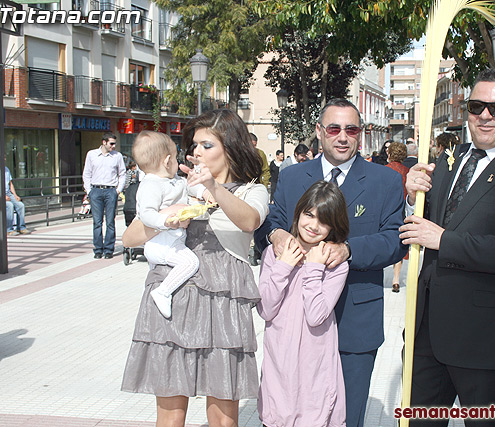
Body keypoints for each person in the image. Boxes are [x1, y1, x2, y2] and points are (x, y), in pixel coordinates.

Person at [399, 68, 495, 425]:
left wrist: (443, 240)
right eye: (477, 106)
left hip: (485, 335)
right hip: (426, 331)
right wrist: (412, 199)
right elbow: (423, 224)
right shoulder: (450, 157)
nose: (486, 116)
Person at [255, 98, 406, 427]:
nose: (342, 136)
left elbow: (395, 241)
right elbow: (269, 223)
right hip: (294, 329)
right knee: (288, 415)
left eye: (351, 129)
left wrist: (348, 250)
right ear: (320, 132)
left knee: (346, 419)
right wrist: (276, 236)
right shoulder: (293, 177)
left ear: (360, 135)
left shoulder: (386, 181)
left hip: (354, 322)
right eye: (334, 128)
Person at [121, 109, 269, 427]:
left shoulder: (251, 191)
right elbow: (129, 238)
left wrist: (212, 189)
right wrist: (168, 215)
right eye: (194, 146)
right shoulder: (176, 187)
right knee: (170, 416)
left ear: (230, 147)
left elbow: (250, 221)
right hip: (173, 297)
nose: (196, 152)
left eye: (206, 145)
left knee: (223, 418)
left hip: (225, 298)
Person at [257, 180, 350, 427]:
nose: (313, 225)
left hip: (315, 365)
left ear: (333, 227)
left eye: (323, 220)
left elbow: (316, 315)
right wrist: (284, 265)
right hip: (279, 361)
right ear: (298, 212)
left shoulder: (334, 263)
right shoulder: (275, 252)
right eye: (309, 215)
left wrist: (313, 268)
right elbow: (265, 309)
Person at [131, 131, 200, 319]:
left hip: (170, 242)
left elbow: (190, 192)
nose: (178, 163)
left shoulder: (175, 181)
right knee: (191, 262)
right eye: (177, 159)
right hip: (162, 243)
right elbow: (146, 214)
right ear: (167, 160)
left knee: (157, 274)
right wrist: (166, 221)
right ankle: (163, 292)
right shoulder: (151, 185)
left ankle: (160, 290)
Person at [82, 132, 126, 259]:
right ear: (104, 142)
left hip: (110, 190)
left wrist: (118, 190)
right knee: (97, 222)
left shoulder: (117, 156)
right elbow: (87, 173)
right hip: (96, 190)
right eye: (111, 143)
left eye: (114, 144)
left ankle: (108, 249)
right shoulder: (92, 154)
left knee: (110, 221)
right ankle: (98, 249)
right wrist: (89, 190)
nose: (113, 146)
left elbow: (122, 173)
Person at [386, 142, 410, 293]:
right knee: (399, 243)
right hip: (401, 212)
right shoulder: (408, 172)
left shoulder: (383, 171)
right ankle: (396, 279)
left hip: (386, 211)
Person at [3, 164, 29, 235]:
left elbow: (10, 184)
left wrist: (15, 195)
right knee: (10, 205)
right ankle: (8, 230)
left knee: (20, 205)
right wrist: (3, 196)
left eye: (5, 157)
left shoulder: (6, 169)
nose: (4, 159)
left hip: (8, 193)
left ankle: (21, 228)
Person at [123, 160, 142, 227]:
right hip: (131, 191)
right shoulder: (129, 172)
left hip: (134, 191)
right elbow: (127, 182)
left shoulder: (136, 173)